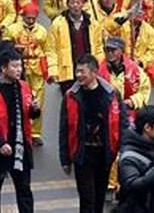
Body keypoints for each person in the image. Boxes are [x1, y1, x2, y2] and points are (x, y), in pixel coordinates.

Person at [59, 54, 128, 213]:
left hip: (104, 154)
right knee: (86, 198)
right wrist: (65, 159)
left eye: (82, 72)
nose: (78, 76)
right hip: (82, 154)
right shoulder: (71, 96)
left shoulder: (111, 94)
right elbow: (64, 129)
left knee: (99, 197)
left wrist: (124, 150)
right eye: (77, 71)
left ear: (95, 72)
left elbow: (122, 123)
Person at [0, 49, 40, 213]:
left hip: (20, 146)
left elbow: (31, 114)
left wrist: (35, 109)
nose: (19, 69)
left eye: (20, 66)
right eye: (15, 66)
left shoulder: (24, 86)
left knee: (24, 189)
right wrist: (0, 143)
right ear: (3, 68)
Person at [98, 36, 152, 196]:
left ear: (121, 51)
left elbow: (144, 89)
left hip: (128, 115)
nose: (109, 53)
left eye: (113, 50)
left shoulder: (134, 70)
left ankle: (123, 182)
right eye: (107, 50)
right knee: (108, 147)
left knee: (125, 148)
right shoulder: (100, 71)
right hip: (106, 115)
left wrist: (132, 101)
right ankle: (109, 182)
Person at [3, 3, 49, 146]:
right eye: (27, 18)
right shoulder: (12, 30)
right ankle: (21, 129)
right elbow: (4, 48)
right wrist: (14, 48)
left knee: (37, 99)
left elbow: (47, 50)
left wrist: (50, 70)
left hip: (36, 67)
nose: (30, 21)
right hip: (18, 67)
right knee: (19, 98)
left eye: (33, 18)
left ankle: (35, 132)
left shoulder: (42, 31)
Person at [48, 0, 104, 93]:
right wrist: (53, 70)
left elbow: (99, 47)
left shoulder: (93, 23)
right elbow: (51, 50)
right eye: (72, 2)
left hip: (88, 70)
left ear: (82, 4)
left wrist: (99, 67)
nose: (75, 6)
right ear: (67, 4)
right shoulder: (58, 24)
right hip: (68, 71)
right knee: (71, 102)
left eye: (78, 2)